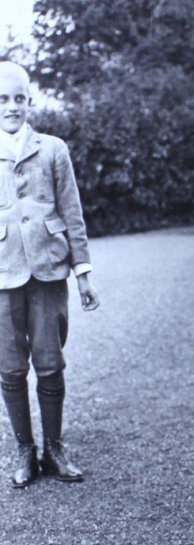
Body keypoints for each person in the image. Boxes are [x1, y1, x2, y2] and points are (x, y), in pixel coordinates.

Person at [0, 60, 100, 488]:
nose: (11, 107)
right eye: (2, 99)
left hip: (48, 271)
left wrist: (83, 274)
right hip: (3, 274)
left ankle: (54, 448)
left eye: (19, 98)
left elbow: (72, 212)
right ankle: (25, 451)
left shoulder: (53, 149)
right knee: (8, 367)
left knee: (49, 361)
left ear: (30, 100)